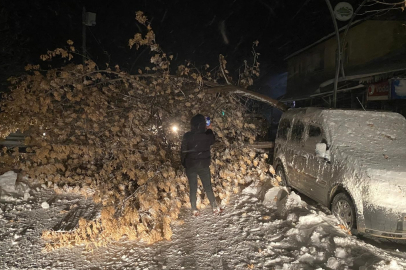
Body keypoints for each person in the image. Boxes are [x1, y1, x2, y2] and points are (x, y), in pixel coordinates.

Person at [181, 114, 220, 216]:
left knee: (193, 187)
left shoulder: (187, 136)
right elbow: (212, 140)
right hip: (203, 165)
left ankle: (194, 209)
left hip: (191, 165)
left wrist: (184, 163)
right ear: (203, 124)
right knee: (208, 186)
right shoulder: (207, 135)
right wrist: (209, 129)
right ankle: (215, 207)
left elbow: (183, 151)